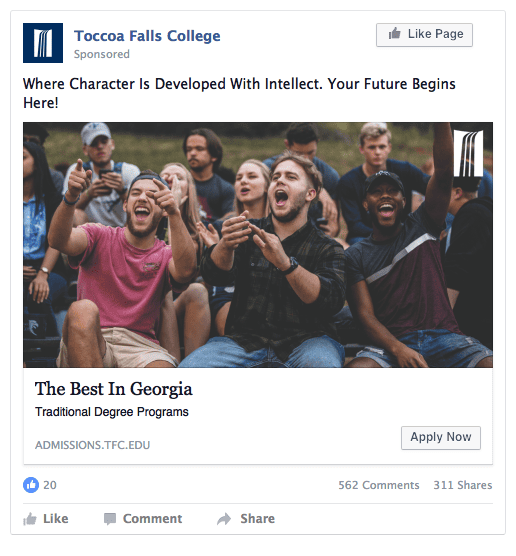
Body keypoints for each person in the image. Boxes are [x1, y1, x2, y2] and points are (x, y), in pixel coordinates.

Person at [344, 123, 492, 368]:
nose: (385, 195)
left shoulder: (423, 224)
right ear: (365, 204)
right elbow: (364, 315)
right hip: (391, 344)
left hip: (446, 338)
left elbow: (444, 172)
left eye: (393, 190)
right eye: (376, 191)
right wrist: (399, 349)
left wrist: (440, 120)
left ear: (404, 201)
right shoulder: (356, 255)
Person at [179, 152, 346, 368]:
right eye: (276, 177)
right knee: (190, 370)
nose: (280, 180)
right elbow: (214, 275)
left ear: (310, 194)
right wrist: (224, 246)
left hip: (309, 342)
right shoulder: (247, 232)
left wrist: (286, 264)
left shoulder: (328, 246)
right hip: (243, 341)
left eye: (291, 177)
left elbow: (330, 300)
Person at [49, 162, 197, 368]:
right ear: (126, 204)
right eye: (136, 193)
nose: (143, 197)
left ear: (163, 209)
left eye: (153, 195)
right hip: (90, 337)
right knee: (82, 310)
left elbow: (186, 271)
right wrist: (71, 197)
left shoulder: (166, 254)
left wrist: (175, 213)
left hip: (140, 348)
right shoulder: (98, 234)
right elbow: (58, 241)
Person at [197, 159, 271, 337]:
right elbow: (209, 281)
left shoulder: (280, 226)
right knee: (236, 332)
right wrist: (216, 250)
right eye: (239, 178)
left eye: (251, 176)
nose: (243, 181)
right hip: (228, 295)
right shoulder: (223, 227)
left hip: (268, 296)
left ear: (268, 186)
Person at [338, 122, 429, 245]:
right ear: (361, 149)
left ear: (389, 147)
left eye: (382, 146)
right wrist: (388, 235)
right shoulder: (348, 181)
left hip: (403, 234)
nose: (377, 152)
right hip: (366, 237)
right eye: (371, 147)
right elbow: (355, 225)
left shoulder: (405, 170)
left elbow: (435, 190)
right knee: (357, 243)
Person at [157, 163, 211, 362]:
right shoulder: (142, 223)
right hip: (145, 305)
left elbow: (176, 266)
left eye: (178, 177)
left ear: (189, 190)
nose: (171, 179)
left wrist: (174, 213)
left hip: (181, 306)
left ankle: (190, 369)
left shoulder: (200, 230)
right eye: (165, 176)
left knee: (196, 291)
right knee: (161, 289)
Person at [263, 123, 341, 239]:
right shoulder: (268, 168)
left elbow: (335, 224)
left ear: (317, 143)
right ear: (287, 144)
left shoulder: (329, 175)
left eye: (310, 153)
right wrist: (318, 190)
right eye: (299, 153)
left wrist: (333, 230)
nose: (306, 159)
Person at [442, 173, 493, 350]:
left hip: (479, 329)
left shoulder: (473, 215)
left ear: (457, 192)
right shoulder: (482, 210)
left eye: (439, 187)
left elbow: (456, 272)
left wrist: (437, 329)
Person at [23, 142, 66, 337]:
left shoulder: (52, 199)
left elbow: (56, 242)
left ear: (37, 164)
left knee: (40, 294)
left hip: (49, 268)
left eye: (22, 157)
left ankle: (51, 351)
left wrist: (43, 274)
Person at [62, 123, 140, 227]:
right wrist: (89, 194)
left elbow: (140, 208)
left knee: (136, 219)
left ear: (112, 144)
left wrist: (122, 191)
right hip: (89, 235)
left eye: (104, 142)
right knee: (76, 213)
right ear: (85, 150)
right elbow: (65, 210)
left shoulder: (129, 171)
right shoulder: (78, 171)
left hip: (122, 233)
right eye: (94, 143)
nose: (100, 147)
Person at [182, 128, 235, 221]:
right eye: (188, 149)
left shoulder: (225, 188)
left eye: (199, 149)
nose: (192, 153)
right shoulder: (179, 183)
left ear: (214, 155)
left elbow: (230, 218)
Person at [23, 122, 65, 192]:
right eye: (23, 140)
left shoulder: (54, 178)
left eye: (33, 142)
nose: (27, 146)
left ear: (42, 149)